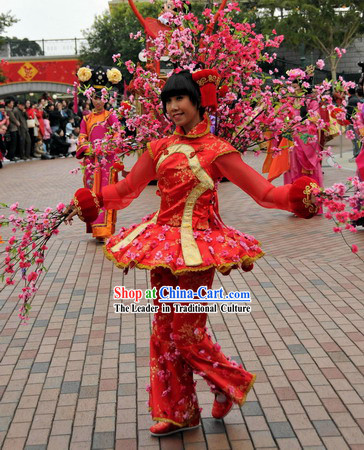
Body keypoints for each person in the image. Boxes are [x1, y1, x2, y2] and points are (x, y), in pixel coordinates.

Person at [66, 69, 318, 436]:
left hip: (199, 248)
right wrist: (91, 200)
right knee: (162, 332)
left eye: (179, 98)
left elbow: (263, 193)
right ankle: (178, 411)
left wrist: (296, 196)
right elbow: (127, 189)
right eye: (167, 100)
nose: (172, 107)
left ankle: (231, 381)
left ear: (198, 103)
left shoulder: (218, 150)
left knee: (186, 333)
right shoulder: (159, 148)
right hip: (161, 245)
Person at [76, 86, 120, 240]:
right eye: (95, 98)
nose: (98, 101)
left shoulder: (110, 116)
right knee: (92, 194)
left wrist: (106, 147)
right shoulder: (86, 119)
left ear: (106, 99)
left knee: (105, 193)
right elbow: (82, 137)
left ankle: (104, 230)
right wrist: (91, 149)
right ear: (91, 99)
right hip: (91, 162)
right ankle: (96, 229)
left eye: (101, 98)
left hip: (106, 162)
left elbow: (117, 133)